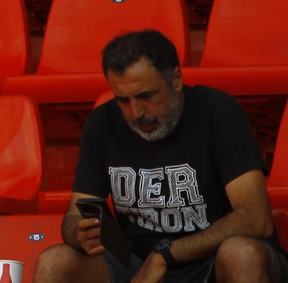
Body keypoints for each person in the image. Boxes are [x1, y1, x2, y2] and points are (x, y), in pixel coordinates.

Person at [38, 30, 287, 283]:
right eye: (123, 100)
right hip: (136, 264)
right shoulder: (102, 123)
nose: (136, 112)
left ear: (176, 79)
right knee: (54, 262)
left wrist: (166, 255)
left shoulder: (218, 112)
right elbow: (76, 214)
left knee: (241, 254)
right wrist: (79, 233)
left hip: (212, 258)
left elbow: (256, 218)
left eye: (146, 96)